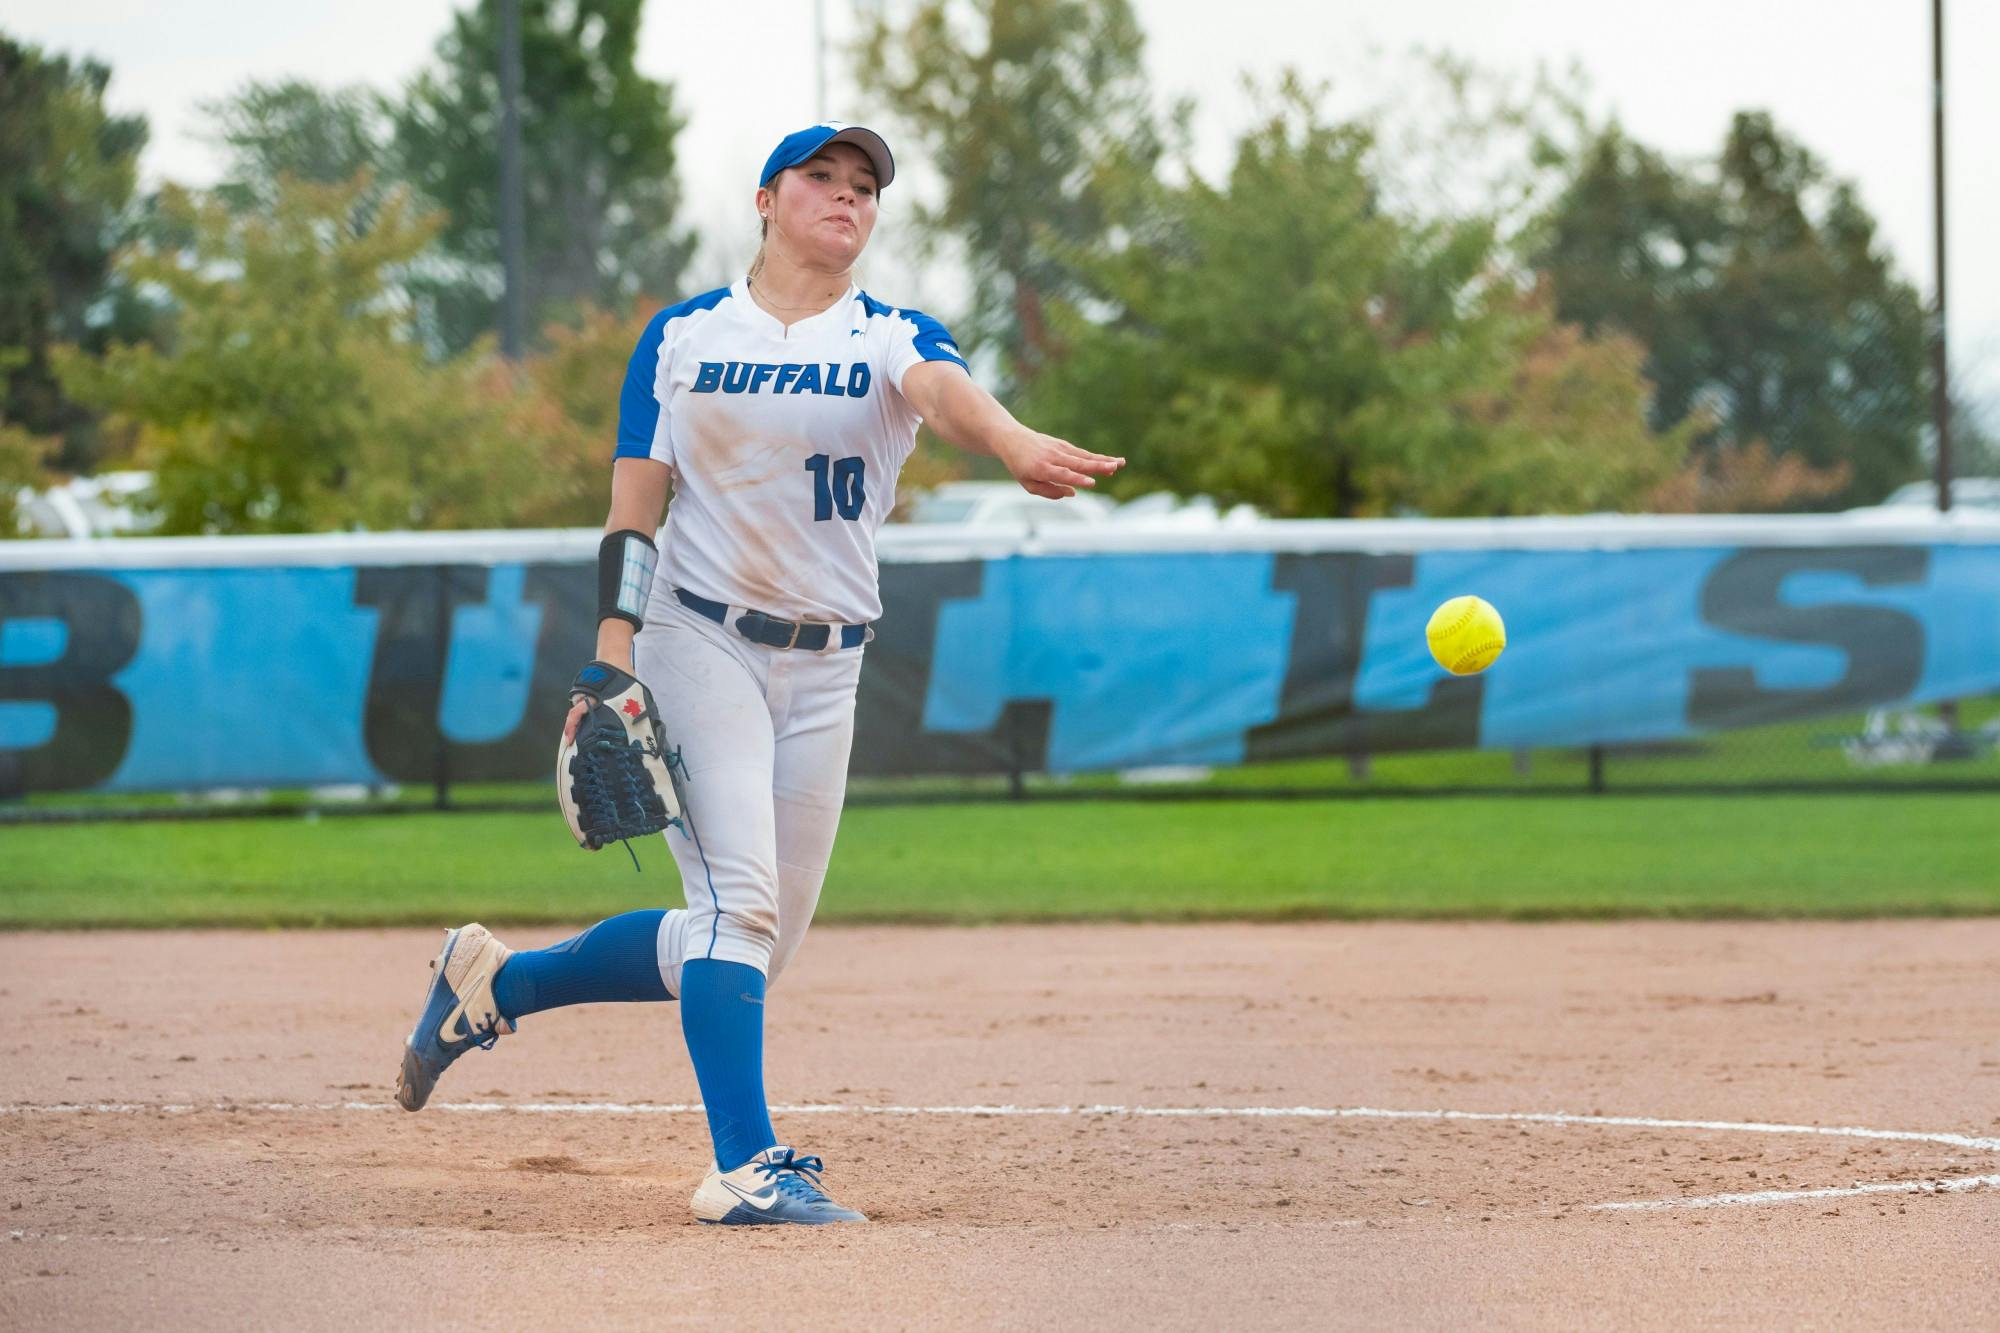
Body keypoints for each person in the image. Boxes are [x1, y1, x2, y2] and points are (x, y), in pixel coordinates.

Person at [392, 121, 1123, 1226]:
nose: (846, 196)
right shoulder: (683, 337)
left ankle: (497, 984)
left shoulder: (886, 332)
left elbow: (944, 392)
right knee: (737, 903)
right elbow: (633, 508)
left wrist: (1013, 440)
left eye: (863, 185)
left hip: (828, 664)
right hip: (699, 639)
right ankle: (742, 1167)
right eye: (820, 178)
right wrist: (610, 655)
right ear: (765, 201)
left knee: (752, 943)